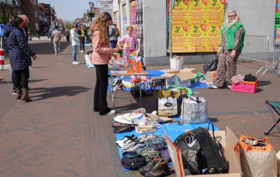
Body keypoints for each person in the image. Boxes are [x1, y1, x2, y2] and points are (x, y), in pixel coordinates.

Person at [90, 12, 119, 116]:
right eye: (107, 23)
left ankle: (97, 106)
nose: (108, 25)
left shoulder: (98, 30)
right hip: (100, 61)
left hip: (100, 60)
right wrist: (113, 50)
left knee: (99, 83)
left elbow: (102, 47)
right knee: (103, 84)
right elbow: (97, 48)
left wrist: (111, 53)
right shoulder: (98, 32)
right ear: (103, 22)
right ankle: (103, 109)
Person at [4, 15, 39, 102]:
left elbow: (6, 44)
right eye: (21, 23)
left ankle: (18, 92)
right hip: (20, 55)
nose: (23, 25)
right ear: (18, 23)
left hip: (12, 54)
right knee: (24, 74)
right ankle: (25, 94)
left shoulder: (7, 32)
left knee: (16, 73)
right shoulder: (17, 32)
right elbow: (23, 45)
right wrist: (32, 54)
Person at [209, 10, 245, 89]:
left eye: (232, 16)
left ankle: (231, 83)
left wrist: (234, 50)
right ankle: (217, 83)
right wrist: (220, 48)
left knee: (231, 67)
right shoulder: (225, 25)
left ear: (236, 16)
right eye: (229, 16)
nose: (230, 17)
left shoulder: (238, 27)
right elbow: (223, 39)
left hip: (232, 50)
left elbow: (238, 40)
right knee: (220, 66)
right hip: (224, 49)